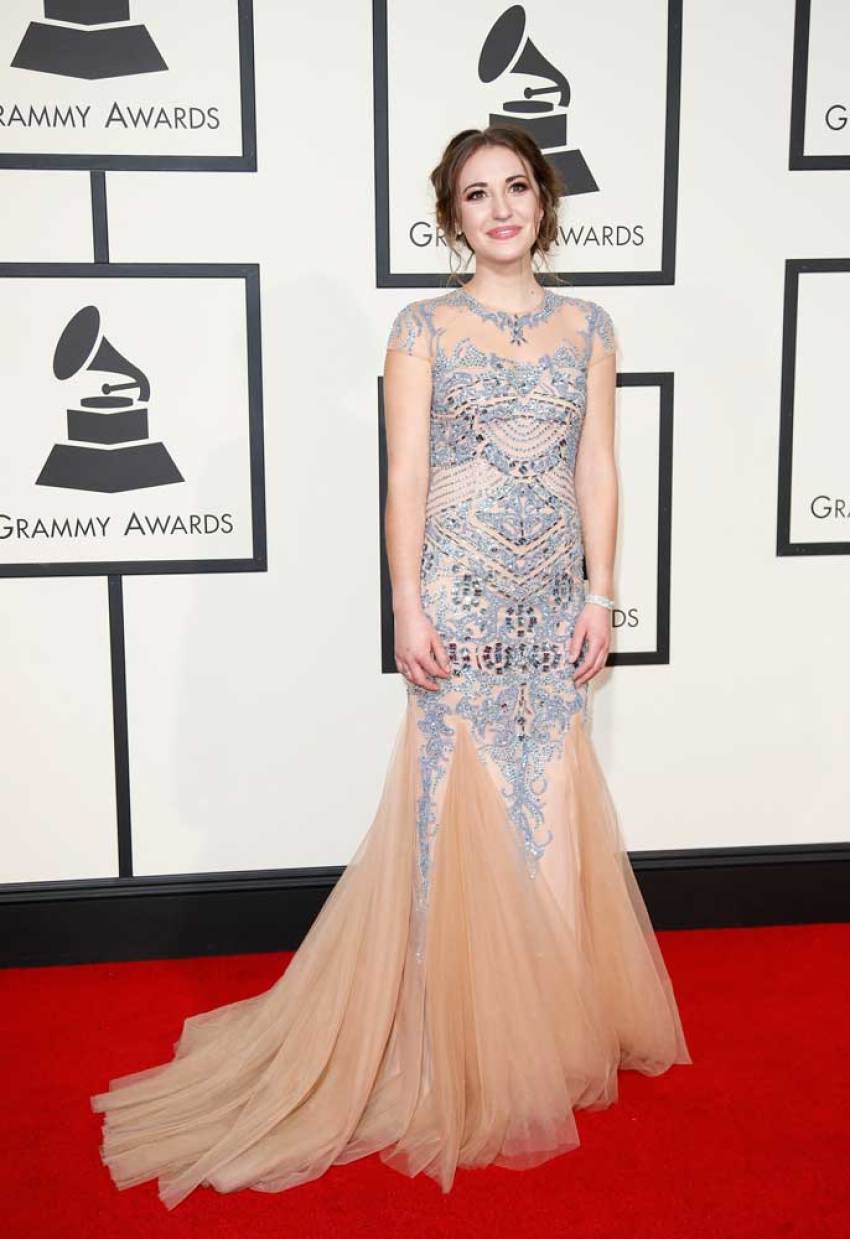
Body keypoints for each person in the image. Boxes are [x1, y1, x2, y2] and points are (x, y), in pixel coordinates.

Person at [90, 126, 691, 1210]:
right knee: (452, 808)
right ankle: (452, 1042)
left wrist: (603, 594)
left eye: (515, 187)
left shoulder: (591, 327)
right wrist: (406, 602)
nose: (499, 208)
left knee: (548, 802)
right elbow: (406, 472)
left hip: (551, 600)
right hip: (458, 602)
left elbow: (597, 462)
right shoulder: (422, 329)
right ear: (451, 215)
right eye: (476, 193)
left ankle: (546, 1031)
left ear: (542, 202)